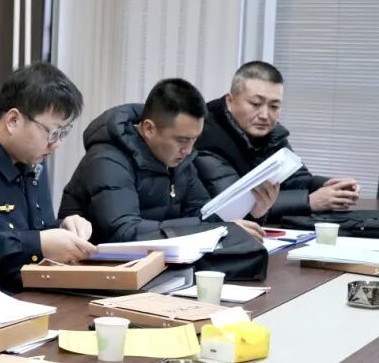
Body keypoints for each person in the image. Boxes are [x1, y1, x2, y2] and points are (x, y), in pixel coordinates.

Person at [58, 78, 278, 243]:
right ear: (148, 129)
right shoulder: (108, 160)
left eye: (194, 139)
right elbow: (125, 231)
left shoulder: (180, 160)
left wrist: (252, 215)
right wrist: (212, 228)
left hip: (158, 268)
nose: (189, 150)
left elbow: (201, 214)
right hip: (96, 274)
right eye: (182, 140)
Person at [0, 62, 95, 291]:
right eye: (52, 132)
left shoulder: (31, 160)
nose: (56, 143)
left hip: (35, 292)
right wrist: (38, 245)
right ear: (13, 121)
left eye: (64, 132)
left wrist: (63, 228)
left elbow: (33, 229)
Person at [195, 60, 360, 220]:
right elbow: (234, 205)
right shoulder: (205, 135)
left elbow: (295, 179)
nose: (265, 115)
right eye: (255, 104)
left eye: (274, 106)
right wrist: (309, 201)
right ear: (230, 101)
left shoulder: (271, 132)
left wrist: (331, 186)